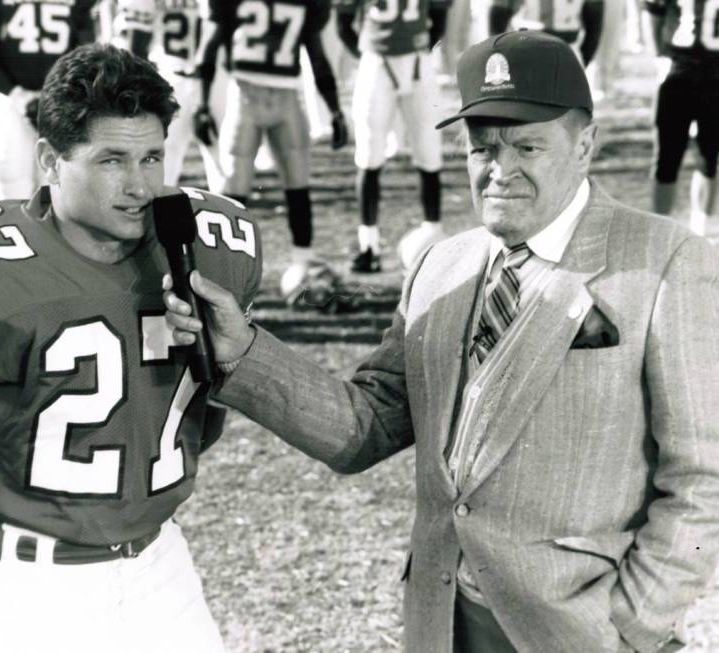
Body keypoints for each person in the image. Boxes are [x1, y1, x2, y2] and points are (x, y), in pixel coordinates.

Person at [165, 30, 719, 653]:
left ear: (585, 145)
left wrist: (629, 626)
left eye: (528, 147)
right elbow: (367, 425)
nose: (499, 170)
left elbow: (704, 479)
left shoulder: (668, 261)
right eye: (481, 148)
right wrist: (242, 350)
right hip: (441, 621)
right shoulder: (440, 267)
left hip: (583, 632)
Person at [0, 43, 262, 653]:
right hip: (35, 584)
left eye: (152, 156)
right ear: (50, 160)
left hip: (163, 565)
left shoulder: (211, 244)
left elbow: (201, 417)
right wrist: (8, 519)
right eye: (111, 160)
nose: (139, 185)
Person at [194, 0, 351, 310]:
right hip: (270, 98)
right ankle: (227, 278)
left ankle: (289, 269)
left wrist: (202, 105)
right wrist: (334, 110)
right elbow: (317, 58)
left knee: (249, 196)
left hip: (253, 97)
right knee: (271, 193)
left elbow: (209, 49)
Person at [335, 0, 451, 274]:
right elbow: (343, 25)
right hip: (378, 62)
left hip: (417, 63)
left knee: (429, 150)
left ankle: (434, 233)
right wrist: (371, 54)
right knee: (369, 154)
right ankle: (369, 245)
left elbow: (439, 19)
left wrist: (418, 52)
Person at [0, 0, 97, 200]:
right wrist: (17, 95)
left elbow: (86, 52)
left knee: (57, 185)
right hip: (10, 100)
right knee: (12, 184)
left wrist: (57, 94)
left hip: (62, 100)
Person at [113, 0, 227, 191]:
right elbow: (136, 46)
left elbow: (136, 45)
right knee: (163, 162)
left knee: (222, 161)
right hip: (183, 79)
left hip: (199, 78)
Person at [643, 0, 719, 236]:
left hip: (715, 77)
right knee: (666, 157)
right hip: (677, 74)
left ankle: (700, 230)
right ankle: (660, 231)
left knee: (709, 157)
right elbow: (653, 13)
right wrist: (658, 56)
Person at [489, 0, 604, 66]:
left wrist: (582, 62)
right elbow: (498, 18)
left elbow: (594, 27)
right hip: (526, 51)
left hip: (567, 51)